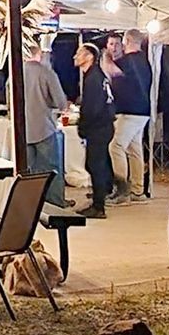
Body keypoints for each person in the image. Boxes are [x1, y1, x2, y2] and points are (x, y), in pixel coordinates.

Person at [19, 42, 73, 209]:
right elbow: (61, 102)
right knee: (51, 169)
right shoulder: (47, 73)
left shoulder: (16, 74)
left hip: (23, 130)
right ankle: (55, 202)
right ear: (39, 54)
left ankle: (29, 203)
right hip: (44, 128)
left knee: (27, 171)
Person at [105, 29, 153, 201]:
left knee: (116, 146)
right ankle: (138, 190)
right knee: (135, 150)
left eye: (123, 42)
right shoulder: (144, 61)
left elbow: (110, 70)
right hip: (142, 111)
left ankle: (122, 190)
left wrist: (106, 56)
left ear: (128, 41)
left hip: (130, 112)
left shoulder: (129, 61)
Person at [74, 40, 115, 218]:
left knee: (94, 164)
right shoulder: (97, 76)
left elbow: (93, 107)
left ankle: (99, 207)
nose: (75, 56)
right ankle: (102, 193)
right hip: (103, 126)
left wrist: (83, 127)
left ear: (90, 57)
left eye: (80, 53)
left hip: (98, 127)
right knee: (99, 163)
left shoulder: (93, 79)